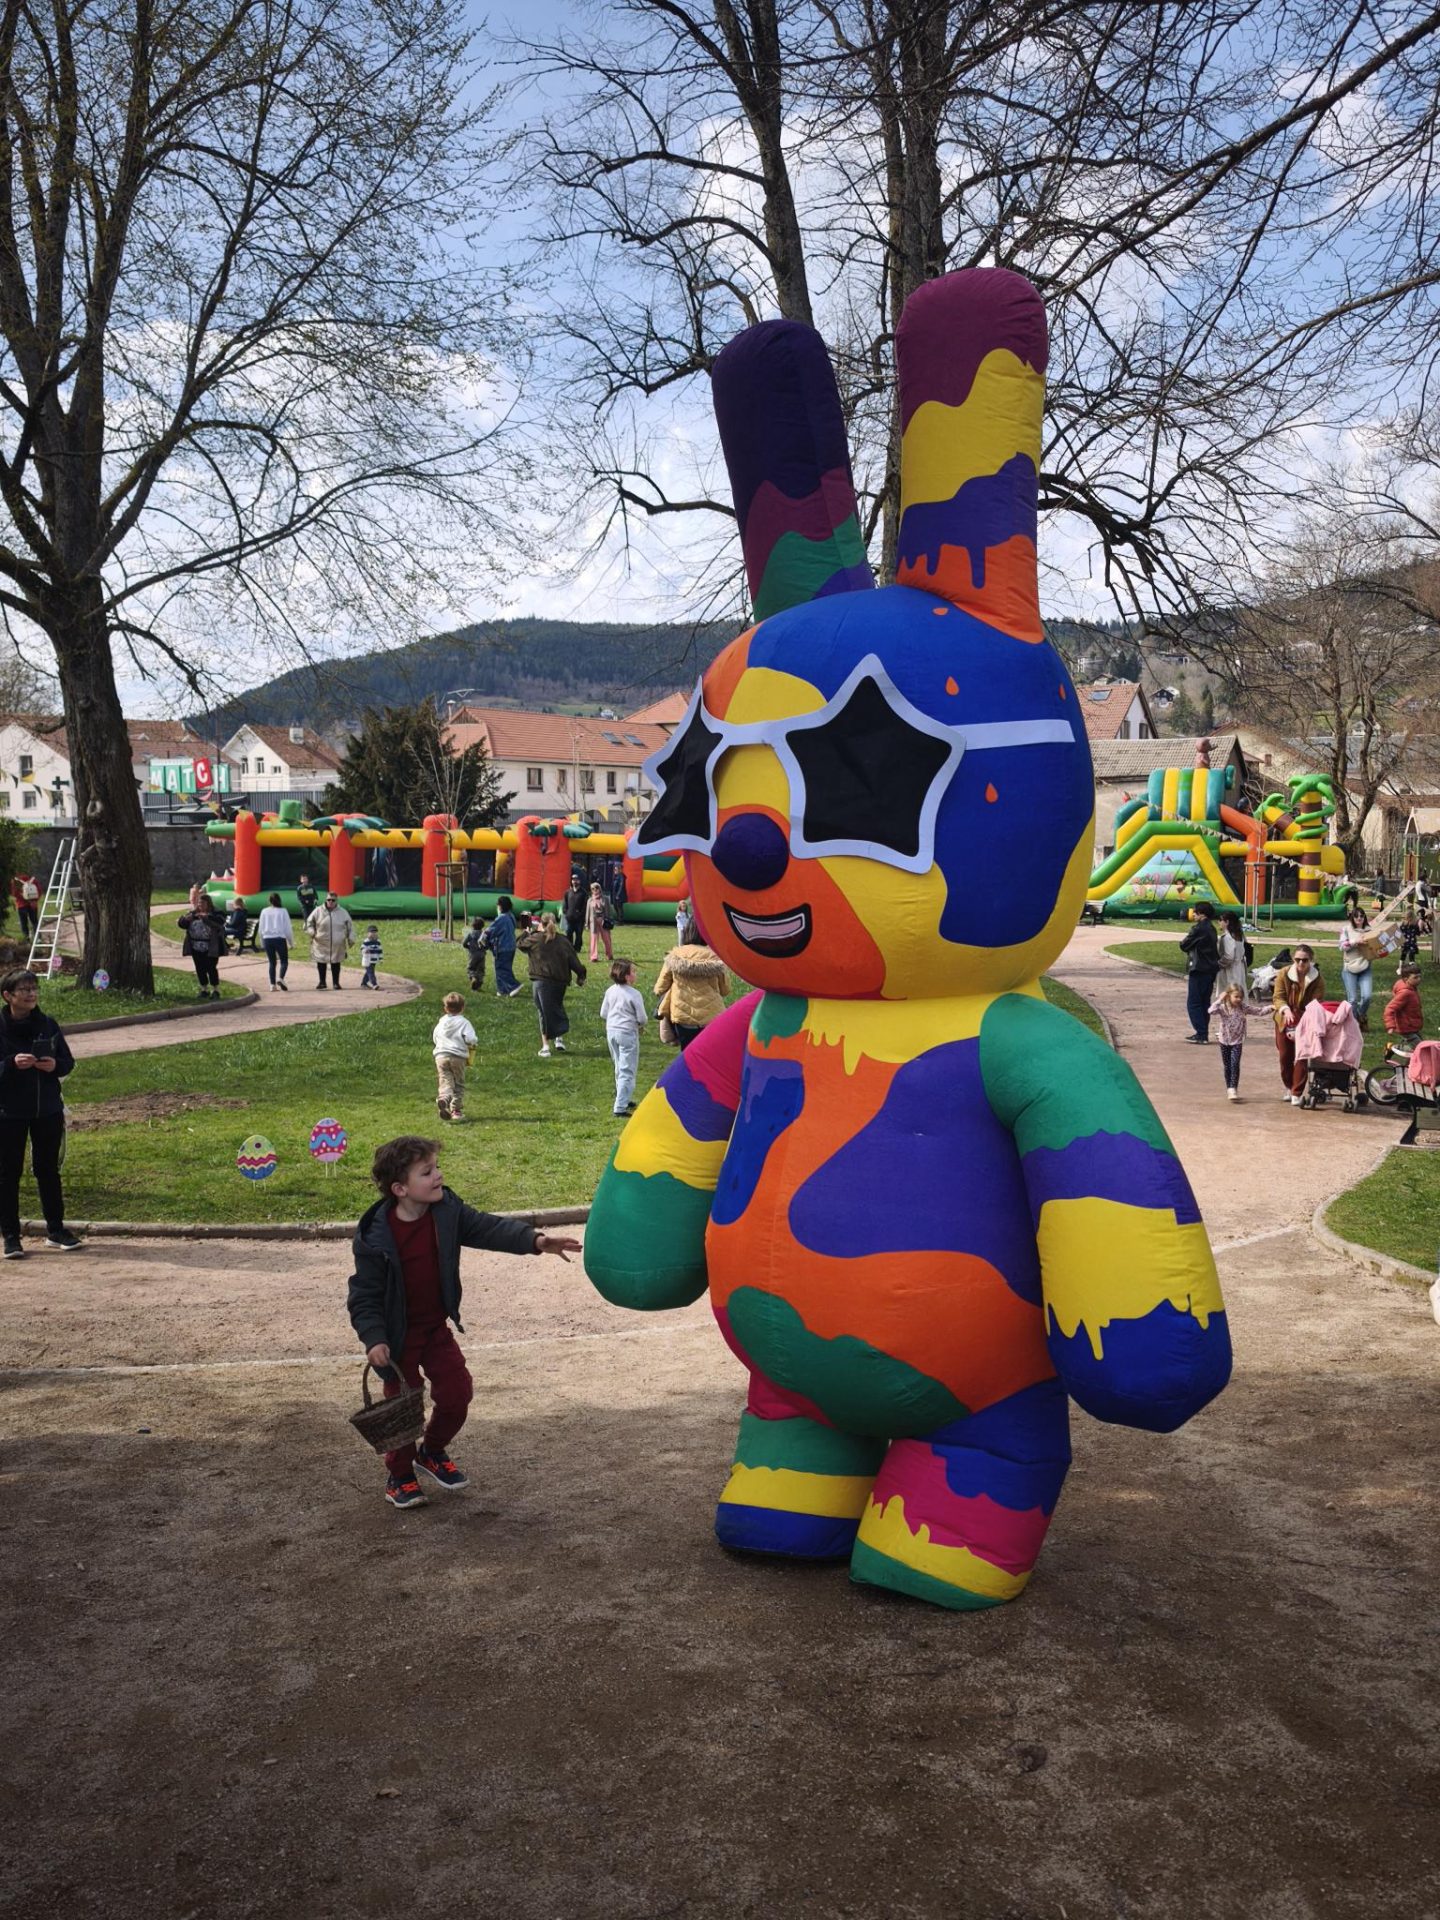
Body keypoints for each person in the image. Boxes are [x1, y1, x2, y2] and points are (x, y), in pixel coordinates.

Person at [346, 1135, 582, 1508]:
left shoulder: (447, 1210)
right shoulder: (375, 1236)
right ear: (400, 1189)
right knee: (403, 1412)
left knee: (458, 1394)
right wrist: (374, 1338)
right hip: (398, 1339)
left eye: (437, 1167)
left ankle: (432, 1452)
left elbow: (488, 1228)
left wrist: (535, 1241)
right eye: (427, 1172)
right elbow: (364, 1294)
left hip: (434, 1329)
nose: (438, 1176)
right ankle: (400, 1476)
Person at [0, 966, 80, 1257]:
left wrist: (55, 1066)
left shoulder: (48, 1024)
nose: (31, 994)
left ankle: (56, 1230)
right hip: (9, 1112)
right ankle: (11, 1236)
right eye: (24, 990)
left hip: (46, 1109)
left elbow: (67, 1061)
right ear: (8, 995)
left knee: (48, 1170)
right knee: (8, 1174)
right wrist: (10, 1064)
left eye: (34, 989)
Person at [518, 912, 587, 1058]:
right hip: (560, 981)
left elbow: (520, 944)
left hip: (541, 980)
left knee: (543, 1012)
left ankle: (545, 1047)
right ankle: (559, 1039)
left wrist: (526, 932)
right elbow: (574, 960)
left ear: (541, 924)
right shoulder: (563, 941)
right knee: (556, 1006)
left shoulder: (535, 939)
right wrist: (581, 975)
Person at [654, 925, 731, 1050]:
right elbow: (725, 990)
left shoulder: (675, 956)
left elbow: (660, 988)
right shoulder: (715, 957)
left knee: (687, 1053)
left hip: (683, 1015)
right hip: (711, 1015)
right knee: (708, 1053)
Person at [1271, 942, 1324, 1103]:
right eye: (1298, 959)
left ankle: (1297, 1092)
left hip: (1305, 1019)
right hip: (1283, 1018)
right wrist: (1285, 1010)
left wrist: (1303, 1020)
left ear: (1311, 960)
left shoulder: (1317, 979)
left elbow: (1316, 1003)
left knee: (1302, 1056)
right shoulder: (1284, 973)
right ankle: (1289, 1086)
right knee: (1285, 1056)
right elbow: (1278, 997)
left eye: (1305, 960)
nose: (1301, 963)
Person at [600, 957, 648, 1115]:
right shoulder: (634, 994)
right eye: (633, 971)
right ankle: (620, 1106)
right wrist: (639, 1025)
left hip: (611, 1031)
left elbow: (603, 1013)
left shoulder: (610, 991)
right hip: (627, 1033)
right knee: (627, 1069)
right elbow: (642, 1018)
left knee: (618, 1065)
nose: (636, 974)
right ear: (627, 976)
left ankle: (624, 1097)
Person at [1207, 983, 1270, 1102]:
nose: (1239, 999)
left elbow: (1259, 1011)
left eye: (1241, 997)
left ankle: (1233, 1088)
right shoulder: (1223, 1007)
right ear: (1229, 996)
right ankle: (1229, 1088)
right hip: (1224, 1041)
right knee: (1227, 1066)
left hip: (1237, 1041)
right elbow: (1211, 1011)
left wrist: (1272, 1007)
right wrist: (1220, 999)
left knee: (1235, 1064)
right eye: (1236, 997)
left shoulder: (1243, 1007)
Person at [1178, 901, 1220, 1043]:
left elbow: (1184, 944)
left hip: (1199, 968)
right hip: (1210, 968)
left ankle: (1201, 1033)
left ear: (1202, 914)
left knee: (1194, 1002)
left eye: (1195, 912)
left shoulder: (1198, 929)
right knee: (1204, 1002)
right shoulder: (1212, 928)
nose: (1193, 914)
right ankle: (1203, 1032)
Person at [432, 991, 477, 1122]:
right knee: (458, 1083)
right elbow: (471, 1039)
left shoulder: (441, 1023)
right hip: (457, 1056)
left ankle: (444, 1098)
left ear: (445, 1008)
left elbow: (435, 1037)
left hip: (441, 1056)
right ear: (462, 1007)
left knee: (445, 1079)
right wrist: (471, 1044)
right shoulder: (464, 1023)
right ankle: (456, 1110)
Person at [177, 895, 226, 999]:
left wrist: (207, 917)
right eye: (199, 903)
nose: (200, 905)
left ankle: (215, 990)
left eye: (203, 903)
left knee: (211, 967)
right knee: (199, 968)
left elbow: (221, 921)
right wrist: (186, 920)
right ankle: (204, 989)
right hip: (195, 945)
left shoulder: (216, 913)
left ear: (208, 903)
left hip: (211, 946)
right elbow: (181, 924)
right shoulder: (193, 913)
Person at [306, 890, 355, 989]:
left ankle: (336, 983)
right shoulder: (318, 911)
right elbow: (309, 923)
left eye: (333, 900)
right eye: (329, 900)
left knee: (336, 962)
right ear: (326, 900)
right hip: (321, 942)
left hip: (337, 943)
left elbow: (350, 926)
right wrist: (312, 932)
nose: (330, 902)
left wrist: (351, 938)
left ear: (337, 901)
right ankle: (322, 982)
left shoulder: (343, 912)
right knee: (321, 962)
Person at [1337, 902, 1374, 1029]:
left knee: (1367, 996)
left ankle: (1360, 1015)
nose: (1359, 918)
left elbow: (1375, 947)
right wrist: (1355, 941)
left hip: (1365, 967)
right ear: (1352, 917)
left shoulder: (1369, 930)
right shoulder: (1346, 929)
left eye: (1361, 916)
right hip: (1349, 968)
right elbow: (1342, 946)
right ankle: (1355, 1024)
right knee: (1352, 999)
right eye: (1356, 916)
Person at [257, 891, 293, 992]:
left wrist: (262, 941)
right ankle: (280, 978)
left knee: (272, 962)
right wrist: (290, 942)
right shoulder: (283, 911)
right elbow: (288, 928)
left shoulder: (264, 911)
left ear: (269, 901)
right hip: (279, 938)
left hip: (267, 939)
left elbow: (261, 928)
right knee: (284, 961)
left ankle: (272, 985)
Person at [488, 895, 521, 997]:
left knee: (501, 969)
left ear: (500, 906)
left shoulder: (501, 918)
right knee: (505, 968)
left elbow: (491, 930)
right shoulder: (511, 916)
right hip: (511, 946)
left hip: (503, 947)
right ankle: (502, 990)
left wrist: (483, 938)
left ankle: (514, 985)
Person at [1384, 962, 1424, 1042]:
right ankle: (1398, 1046)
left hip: (1412, 1025)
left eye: (1419, 976)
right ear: (1406, 979)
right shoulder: (1405, 993)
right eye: (1415, 977)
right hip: (1407, 1027)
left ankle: (1404, 1045)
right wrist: (1390, 1026)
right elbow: (1390, 1008)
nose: (1419, 979)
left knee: (1422, 1045)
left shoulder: (1411, 988)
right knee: (1419, 1047)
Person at [1216, 911, 1250, 995]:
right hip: (1240, 968)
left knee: (1230, 993)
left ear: (1227, 922)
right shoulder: (1240, 935)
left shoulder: (1228, 937)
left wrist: (1218, 964)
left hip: (1230, 969)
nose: (1219, 922)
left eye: (1220, 920)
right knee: (1239, 991)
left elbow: (1229, 957)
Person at [585, 879, 615, 963]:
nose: (595, 890)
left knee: (606, 938)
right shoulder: (590, 900)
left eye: (596, 888)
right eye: (593, 889)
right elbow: (587, 912)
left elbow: (609, 911)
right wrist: (587, 923)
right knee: (594, 939)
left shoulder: (605, 899)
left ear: (600, 889)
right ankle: (593, 957)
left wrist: (609, 921)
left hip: (603, 920)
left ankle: (609, 954)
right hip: (593, 921)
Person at [462, 915, 489, 992]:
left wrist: (469, 947)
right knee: (480, 970)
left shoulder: (470, 934)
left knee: (471, 968)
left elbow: (464, 943)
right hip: (482, 955)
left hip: (472, 955)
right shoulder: (484, 935)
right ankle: (478, 986)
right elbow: (487, 945)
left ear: (472, 925)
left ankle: (473, 978)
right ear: (482, 926)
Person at [11, 872, 39, 942]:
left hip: (21, 905)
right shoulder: (32, 879)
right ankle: (38, 938)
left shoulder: (16, 880)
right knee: (35, 922)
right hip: (33, 904)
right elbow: (39, 890)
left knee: (24, 923)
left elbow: (14, 893)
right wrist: (34, 900)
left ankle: (26, 939)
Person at [562, 876, 586, 949]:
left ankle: (577, 948)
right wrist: (566, 912)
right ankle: (570, 947)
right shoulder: (568, 892)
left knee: (579, 934)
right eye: (573, 880)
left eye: (577, 880)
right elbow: (565, 903)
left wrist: (581, 914)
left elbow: (585, 905)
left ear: (580, 881)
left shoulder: (583, 893)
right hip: (570, 917)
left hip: (579, 919)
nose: (575, 881)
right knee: (569, 933)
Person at [359, 924, 383, 990]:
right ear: (368, 933)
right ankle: (374, 984)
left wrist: (380, 959)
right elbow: (362, 948)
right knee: (371, 972)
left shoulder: (378, 942)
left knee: (368, 972)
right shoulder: (366, 941)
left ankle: (363, 984)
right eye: (372, 932)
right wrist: (365, 950)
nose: (373, 934)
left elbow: (380, 951)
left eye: (375, 932)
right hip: (368, 960)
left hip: (374, 960)